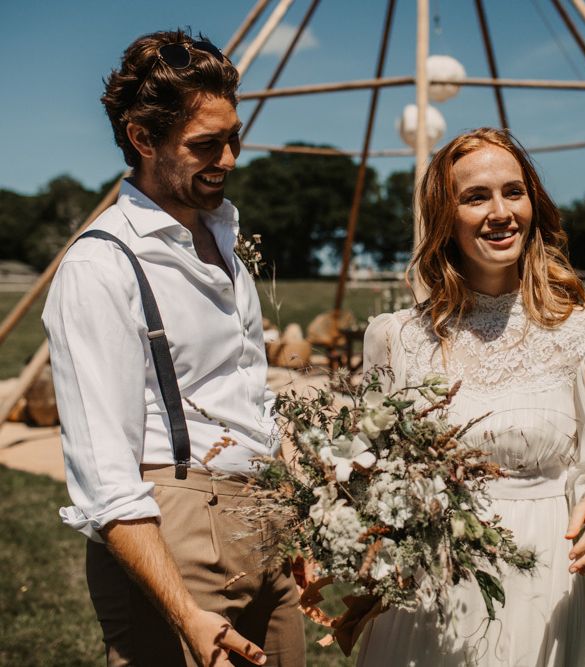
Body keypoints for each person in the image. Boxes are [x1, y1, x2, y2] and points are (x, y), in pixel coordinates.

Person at [357, 127, 585, 666]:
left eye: (514, 192)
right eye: (475, 197)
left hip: (538, 580)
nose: (501, 211)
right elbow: (368, 466)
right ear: (444, 217)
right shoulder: (396, 339)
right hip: (423, 588)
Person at [42, 30, 304, 667]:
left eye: (234, 137)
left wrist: (291, 509)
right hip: (173, 532)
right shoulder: (102, 265)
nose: (230, 158)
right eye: (206, 145)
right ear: (142, 138)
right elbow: (105, 477)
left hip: (266, 529)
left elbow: (241, 396)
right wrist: (185, 610)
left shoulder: (224, 241)